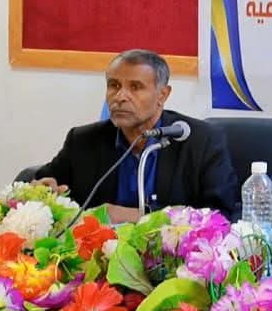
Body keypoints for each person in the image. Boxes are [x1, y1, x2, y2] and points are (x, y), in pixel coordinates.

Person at [34, 49, 239, 223]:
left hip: (170, 253)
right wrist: (42, 190)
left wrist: (137, 216)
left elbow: (220, 215)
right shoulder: (83, 140)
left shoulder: (201, 140)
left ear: (162, 95)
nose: (120, 97)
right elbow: (42, 182)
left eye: (135, 87)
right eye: (114, 85)